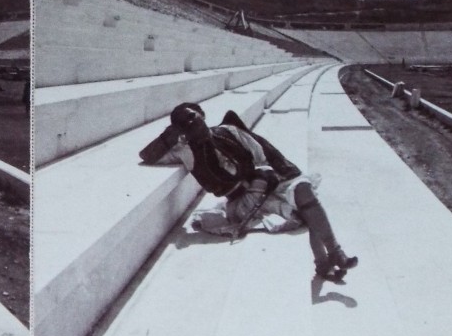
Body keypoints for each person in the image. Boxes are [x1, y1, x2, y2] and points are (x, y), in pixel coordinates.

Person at [140, 102, 358, 281]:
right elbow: (147, 156)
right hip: (243, 203)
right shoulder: (185, 152)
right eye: (184, 123)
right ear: (182, 132)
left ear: (202, 114)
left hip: (267, 182)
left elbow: (262, 156)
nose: (191, 122)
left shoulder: (229, 132)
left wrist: (266, 178)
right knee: (306, 212)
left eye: (192, 116)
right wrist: (170, 134)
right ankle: (324, 263)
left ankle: (334, 253)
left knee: (304, 191)